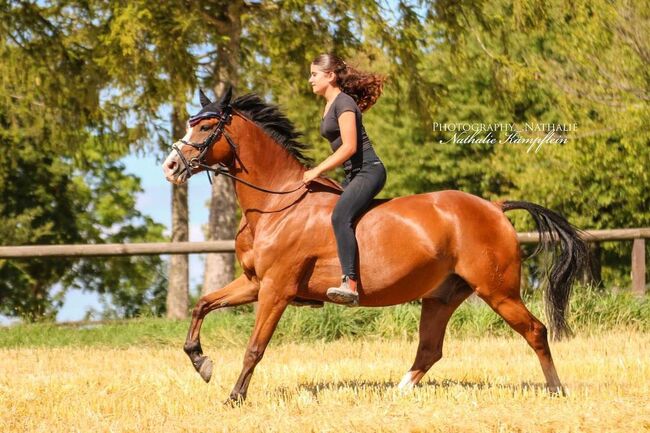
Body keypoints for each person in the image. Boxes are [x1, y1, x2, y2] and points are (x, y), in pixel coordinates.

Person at [303, 53, 387, 306]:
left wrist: (317, 170)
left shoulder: (344, 102)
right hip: (352, 175)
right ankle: (313, 289)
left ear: (330, 76)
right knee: (325, 216)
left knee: (340, 216)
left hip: (369, 171)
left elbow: (349, 147)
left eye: (314, 74)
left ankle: (350, 283)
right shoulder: (330, 104)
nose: (310, 80)